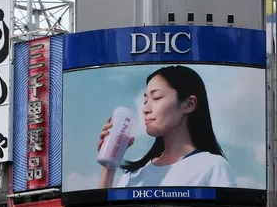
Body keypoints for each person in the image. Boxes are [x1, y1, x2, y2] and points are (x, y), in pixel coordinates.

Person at [97, 65, 236, 188]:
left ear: (189, 104)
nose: (145, 109)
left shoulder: (213, 166)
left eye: (156, 98)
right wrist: (110, 164)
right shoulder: (135, 171)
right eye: (145, 100)